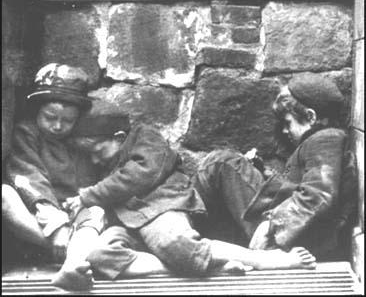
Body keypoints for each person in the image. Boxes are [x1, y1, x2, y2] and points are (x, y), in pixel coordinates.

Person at [54, 98, 316, 291]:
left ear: (119, 137)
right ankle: (214, 266)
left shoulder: (147, 139)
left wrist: (88, 196)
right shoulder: (101, 159)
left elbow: (139, 175)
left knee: (177, 246)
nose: (95, 160)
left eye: (98, 151)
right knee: (98, 255)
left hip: (159, 206)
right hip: (129, 222)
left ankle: (266, 259)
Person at [193, 73, 357, 260]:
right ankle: (193, 239)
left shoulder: (326, 139)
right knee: (225, 164)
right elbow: (299, 186)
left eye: (288, 123)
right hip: (289, 229)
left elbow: (319, 195)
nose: (285, 131)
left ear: (311, 116)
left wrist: (272, 223)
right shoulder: (321, 141)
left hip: (290, 237)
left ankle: (186, 239)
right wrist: (263, 171)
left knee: (220, 163)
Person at [2, 63, 105, 284]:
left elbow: (87, 186)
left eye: (67, 121)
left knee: (96, 210)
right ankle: (71, 251)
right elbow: (29, 177)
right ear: (37, 111)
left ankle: (72, 265)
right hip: (39, 218)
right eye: (50, 117)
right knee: (4, 195)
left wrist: (79, 206)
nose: (58, 126)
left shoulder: (78, 141)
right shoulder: (26, 132)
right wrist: (56, 226)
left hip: (73, 216)